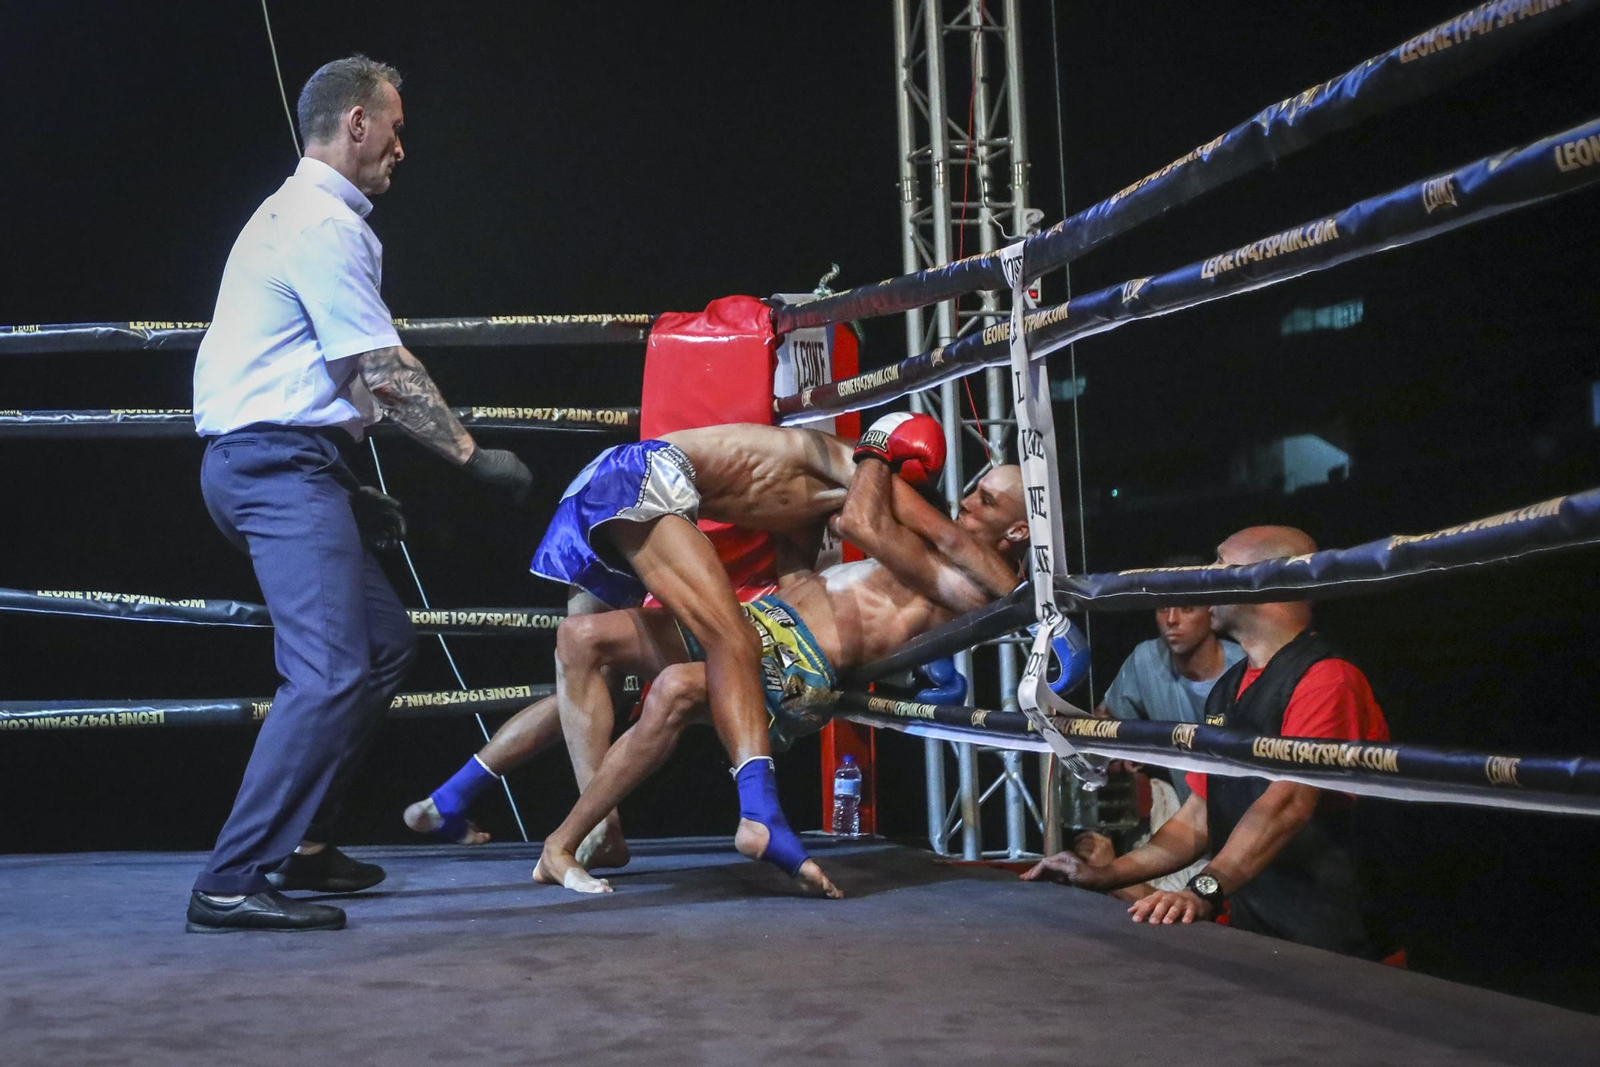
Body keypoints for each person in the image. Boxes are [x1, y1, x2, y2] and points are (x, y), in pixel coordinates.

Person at [186, 56, 533, 933]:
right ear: (355, 124)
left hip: (284, 462)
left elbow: (338, 374)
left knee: (381, 645)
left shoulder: (308, 216)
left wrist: (345, 479)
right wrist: (468, 455)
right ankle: (230, 878)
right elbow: (381, 365)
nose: (401, 147)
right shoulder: (318, 223)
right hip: (272, 466)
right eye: (395, 127)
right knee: (329, 668)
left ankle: (302, 845)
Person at [404, 421, 919, 883]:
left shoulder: (812, 506)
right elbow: (869, 524)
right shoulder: (845, 461)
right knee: (730, 640)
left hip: (602, 492)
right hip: (643, 484)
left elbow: (795, 582)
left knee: (584, 663)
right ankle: (744, 813)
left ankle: (455, 799)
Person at [532, 438, 1031, 897]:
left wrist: (877, 446)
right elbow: (816, 568)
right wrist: (801, 532)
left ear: (1018, 530)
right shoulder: (937, 551)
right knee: (583, 637)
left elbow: (862, 521)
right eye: (974, 490)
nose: (966, 501)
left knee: (674, 691)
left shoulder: (976, 583)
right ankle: (602, 832)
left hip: (799, 664)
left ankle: (563, 842)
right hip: (767, 619)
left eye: (986, 501)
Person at [1023, 526, 1391, 959]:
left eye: (1220, 564)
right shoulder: (1230, 689)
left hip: (1336, 942)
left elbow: (1289, 802)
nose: (1205, 576)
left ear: (1267, 579)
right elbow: (1197, 818)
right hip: (1259, 932)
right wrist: (1104, 875)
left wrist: (1204, 889)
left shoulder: (1328, 679)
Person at [1080, 557, 1246, 898]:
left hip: (1249, 830)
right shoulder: (1146, 659)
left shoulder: (1245, 667)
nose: (1171, 620)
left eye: (1185, 608)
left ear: (1212, 612)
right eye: (1162, 608)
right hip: (1192, 825)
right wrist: (1110, 747)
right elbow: (1104, 721)